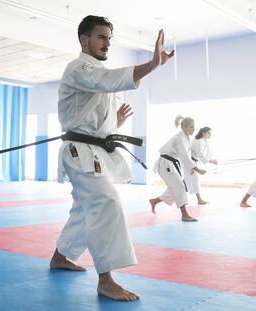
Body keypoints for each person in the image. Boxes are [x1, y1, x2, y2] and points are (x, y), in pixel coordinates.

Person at [49, 15, 174, 302]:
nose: (107, 43)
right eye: (101, 37)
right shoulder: (79, 67)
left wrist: (113, 122)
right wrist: (152, 65)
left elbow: (93, 116)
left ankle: (61, 256)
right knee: (107, 203)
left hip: (92, 152)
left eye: (109, 38)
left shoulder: (95, 72)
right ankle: (106, 279)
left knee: (84, 209)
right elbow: (105, 81)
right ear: (84, 40)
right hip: (79, 153)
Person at [149, 116, 206, 221]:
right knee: (180, 187)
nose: (194, 129)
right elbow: (184, 156)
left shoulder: (186, 138)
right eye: (191, 127)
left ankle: (154, 201)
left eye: (194, 127)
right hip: (166, 164)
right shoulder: (180, 138)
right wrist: (197, 169)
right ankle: (184, 214)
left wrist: (192, 167)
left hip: (171, 163)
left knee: (174, 189)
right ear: (184, 127)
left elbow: (187, 156)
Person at [184, 127, 218, 204]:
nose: (210, 134)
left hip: (194, 162)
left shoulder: (204, 141)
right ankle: (198, 200)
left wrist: (212, 159)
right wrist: (211, 161)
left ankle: (197, 199)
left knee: (192, 181)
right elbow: (200, 155)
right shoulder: (198, 141)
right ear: (203, 133)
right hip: (189, 162)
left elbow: (208, 153)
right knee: (191, 181)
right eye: (209, 133)